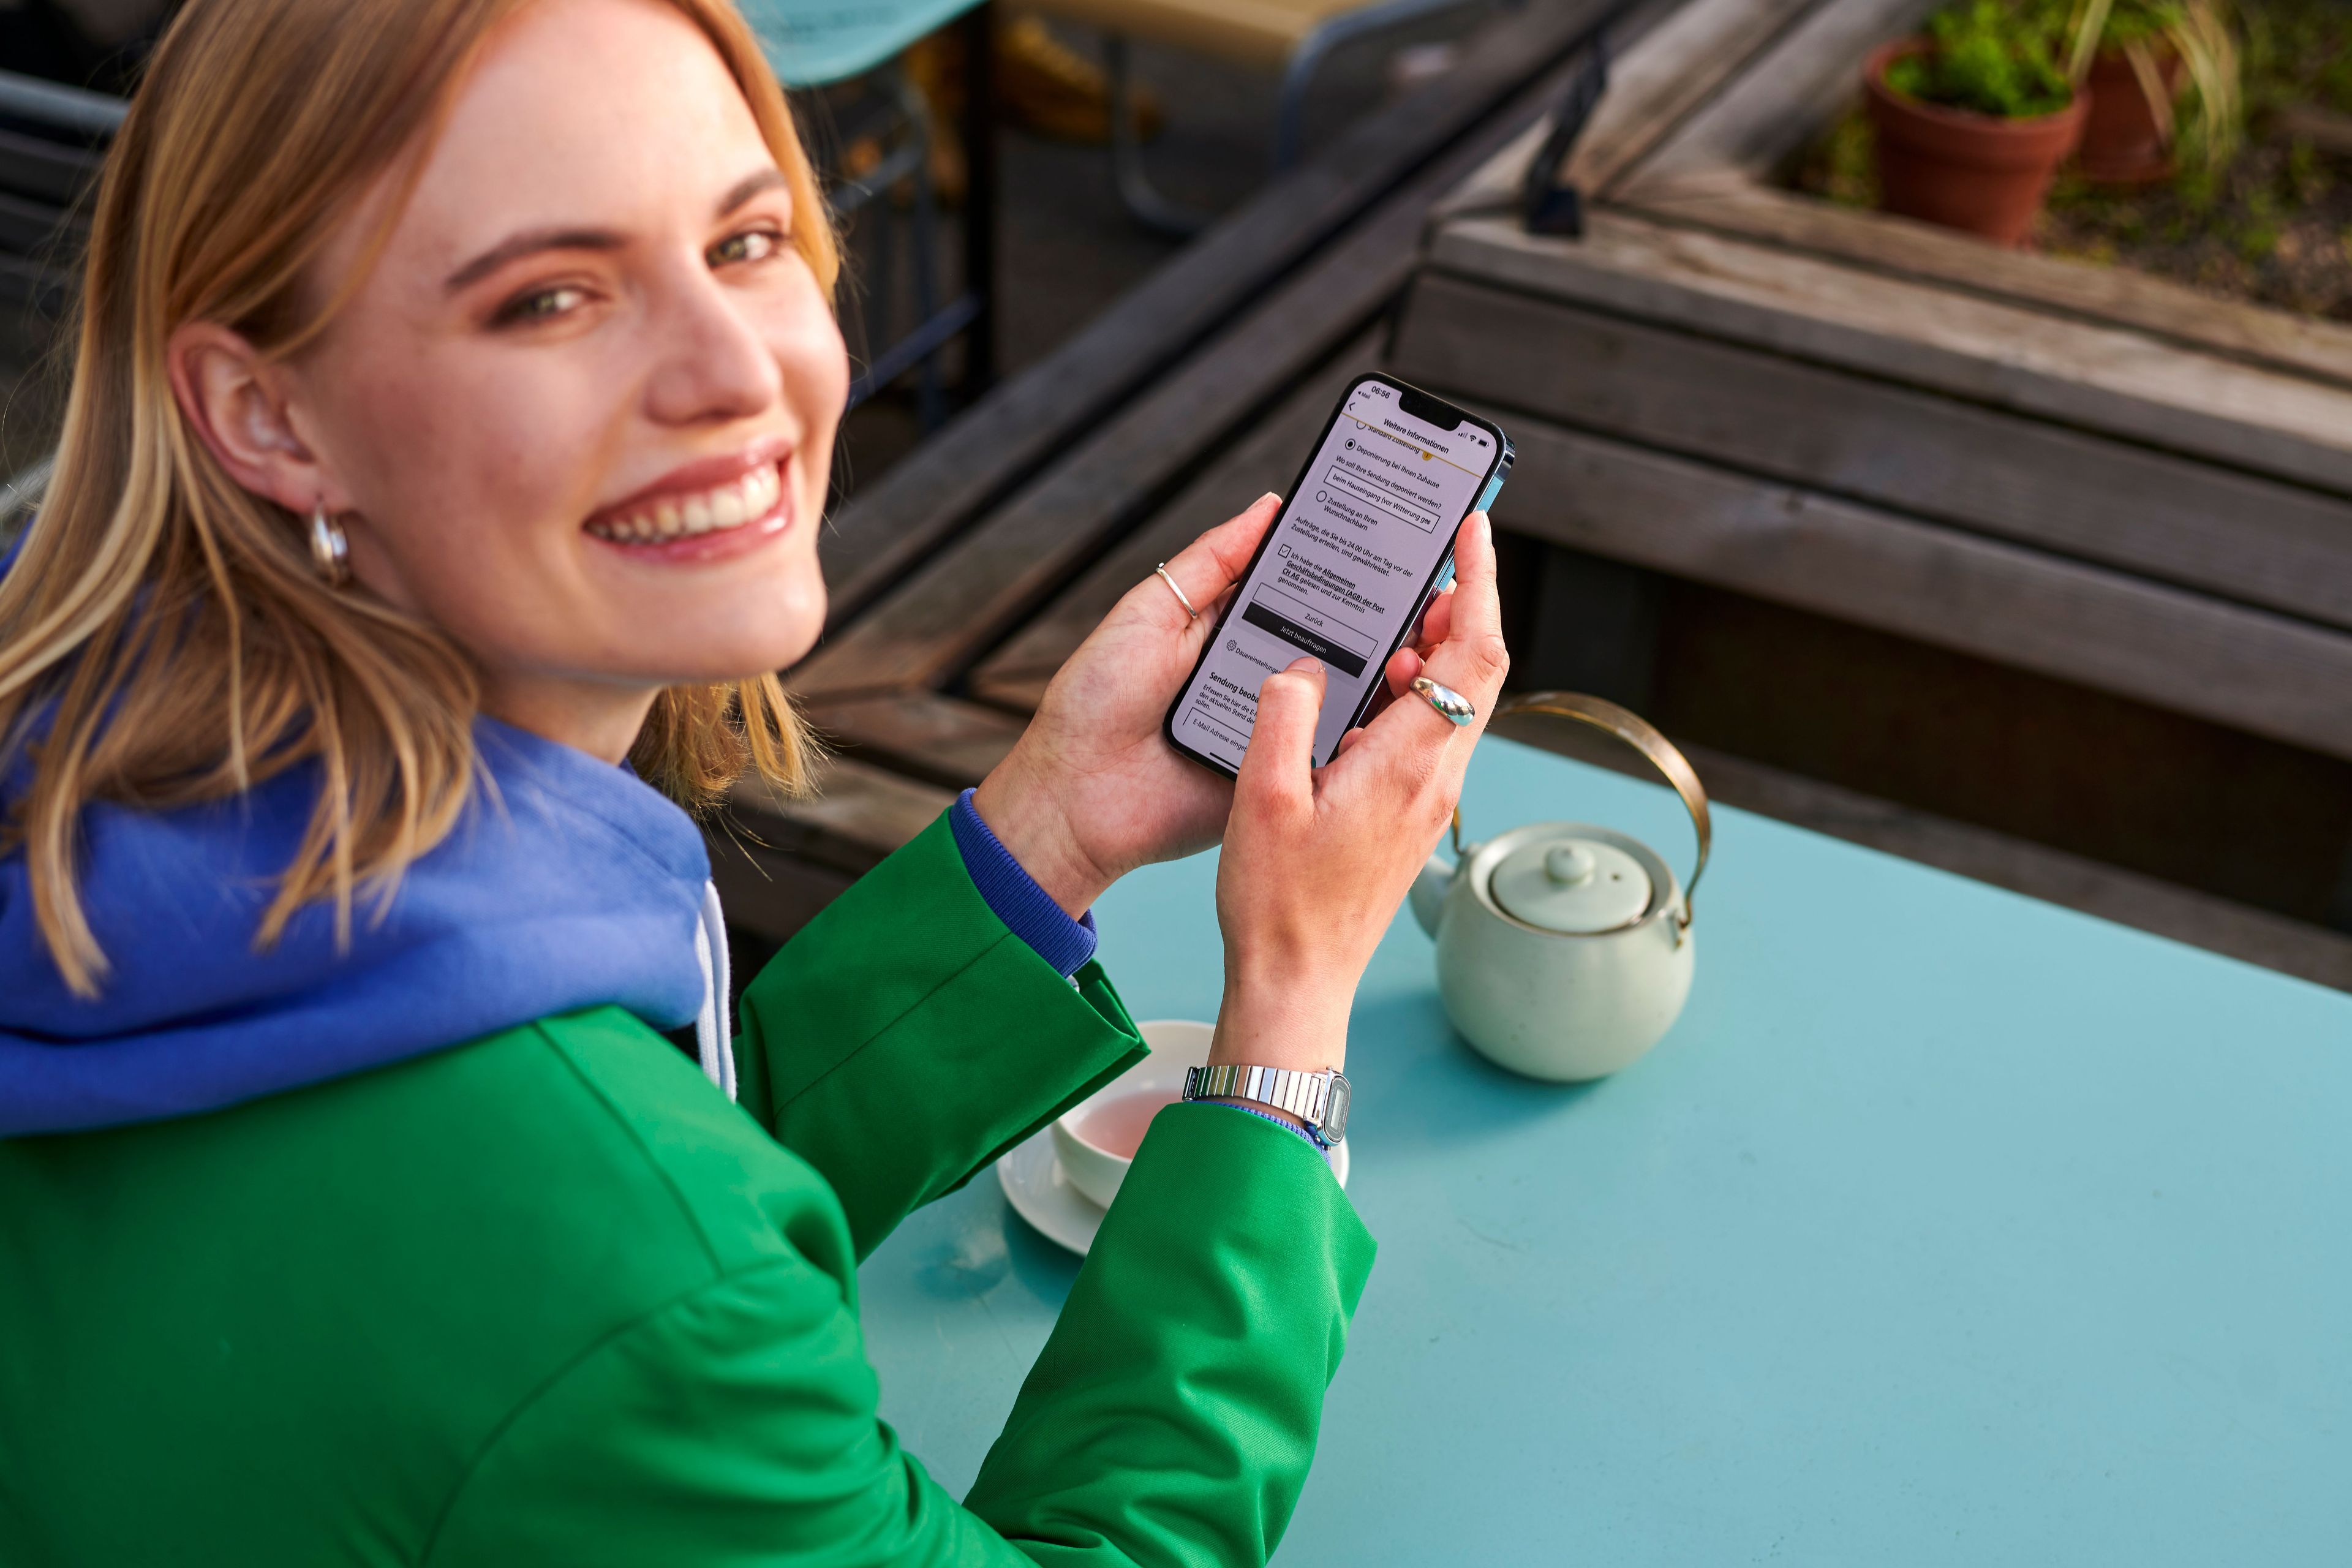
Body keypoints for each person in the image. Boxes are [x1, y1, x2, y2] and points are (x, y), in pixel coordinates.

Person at [0, 0, 1509, 1560]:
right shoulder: (628, 1276)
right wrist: (1287, 1021)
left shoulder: (121, 795)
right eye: (552, 296)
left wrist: (1053, 826)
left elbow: (631, 1169)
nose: (737, 370)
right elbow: (627, 1260)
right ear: (265, 413)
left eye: (746, 240)